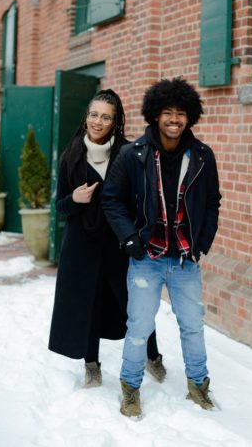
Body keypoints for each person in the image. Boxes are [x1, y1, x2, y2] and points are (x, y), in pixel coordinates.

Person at [102, 77, 222, 418]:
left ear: (190, 117)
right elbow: (111, 200)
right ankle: (130, 389)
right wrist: (128, 238)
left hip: (185, 259)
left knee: (193, 325)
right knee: (139, 326)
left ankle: (199, 386)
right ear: (155, 114)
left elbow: (213, 201)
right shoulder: (132, 155)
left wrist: (203, 240)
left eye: (181, 113)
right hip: (147, 259)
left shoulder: (201, 155)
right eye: (167, 112)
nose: (174, 119)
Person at [48, 89, 166, 388]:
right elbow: (59, 206)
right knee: (87, 303)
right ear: (86, 117)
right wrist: (74, 199)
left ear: (116, 122)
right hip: (81, 246)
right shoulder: (71, 155)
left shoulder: (128, 154)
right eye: (93, 114)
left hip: (118, 245)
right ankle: (91, 365)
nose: (97, 122)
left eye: (105, 117)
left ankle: (152, 356)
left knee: (135, 304)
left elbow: (141, 201)